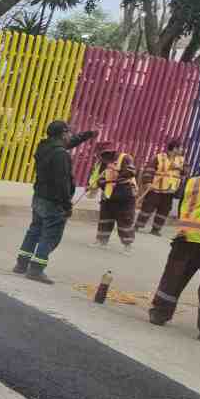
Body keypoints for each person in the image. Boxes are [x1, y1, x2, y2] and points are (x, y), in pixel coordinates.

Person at [15, 120, 96, 283]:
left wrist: (87, 135)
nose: (70, 136)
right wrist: (66, 204)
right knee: (50, 235)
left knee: (35, 230)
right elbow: (62, 182)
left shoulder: (44, 147)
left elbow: (66, 143)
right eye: (68, 133)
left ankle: (21, 264)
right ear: (63, 134)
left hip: (39, 196)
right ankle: (36, 270)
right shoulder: (61, 154)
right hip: (53, 201)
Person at [149, 165, 200, 343]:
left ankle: (159, 313)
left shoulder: (194, 182)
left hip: (186, 238)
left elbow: (182, 208)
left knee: (173, 278)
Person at [88, 142, 138, 253]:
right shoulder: (102, 162)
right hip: (108, 194)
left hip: (125, 195)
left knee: (125, 220)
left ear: (110, 152)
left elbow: (131, 172)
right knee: (105, 218)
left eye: (103, 154)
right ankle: (102, 241)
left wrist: (114, 179)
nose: (101, 157)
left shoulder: (125, 158)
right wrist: (99, 184)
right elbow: (99, 177)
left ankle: (127, 245)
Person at [136, 140, 185, 236]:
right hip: (155, 189)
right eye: (180, 147)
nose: (182, 150)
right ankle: (137, 225)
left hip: (170, 191)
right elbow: (149, 169)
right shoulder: (158, 157)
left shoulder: (181, 160)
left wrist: (179, 168)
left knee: (164, 210)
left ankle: (156, 229)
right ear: (175, 148)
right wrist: (148, 182)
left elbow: (186, 172)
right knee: (147, 208)